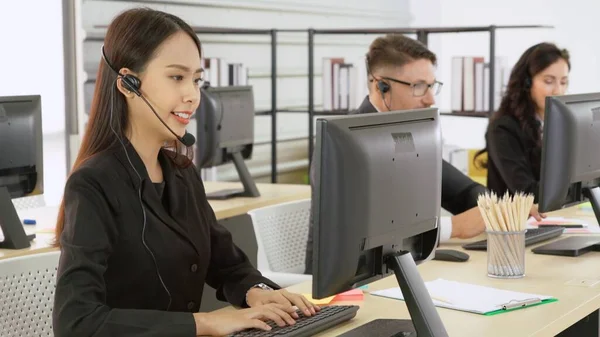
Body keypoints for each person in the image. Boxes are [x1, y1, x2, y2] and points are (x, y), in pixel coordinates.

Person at [52, 8, 318, 337]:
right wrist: (206, 323)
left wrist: (255, 291)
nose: (192, 95)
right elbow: (76, 322)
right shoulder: (93, 183)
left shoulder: (181, 173)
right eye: (177, 77)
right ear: (127, 84)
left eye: (196, 79)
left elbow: (228, 265)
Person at [304, 34, 545, 274]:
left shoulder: (410, 135)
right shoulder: (343, 141)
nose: (430, 99)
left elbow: (462, 191)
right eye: (418, 87)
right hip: (347, 280)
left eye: (431, 86)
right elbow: (363, 233)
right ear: (381, 86)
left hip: (399, 271)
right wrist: (453, 228)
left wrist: (501, 208)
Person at [474, 43, 570, 201]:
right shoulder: (502, 129)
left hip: (552, 217)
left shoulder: (560, 125)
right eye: (548, 81)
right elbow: (527, 193)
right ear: (527, 83)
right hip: (516, 223)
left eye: (563, 82)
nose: (558, 91)